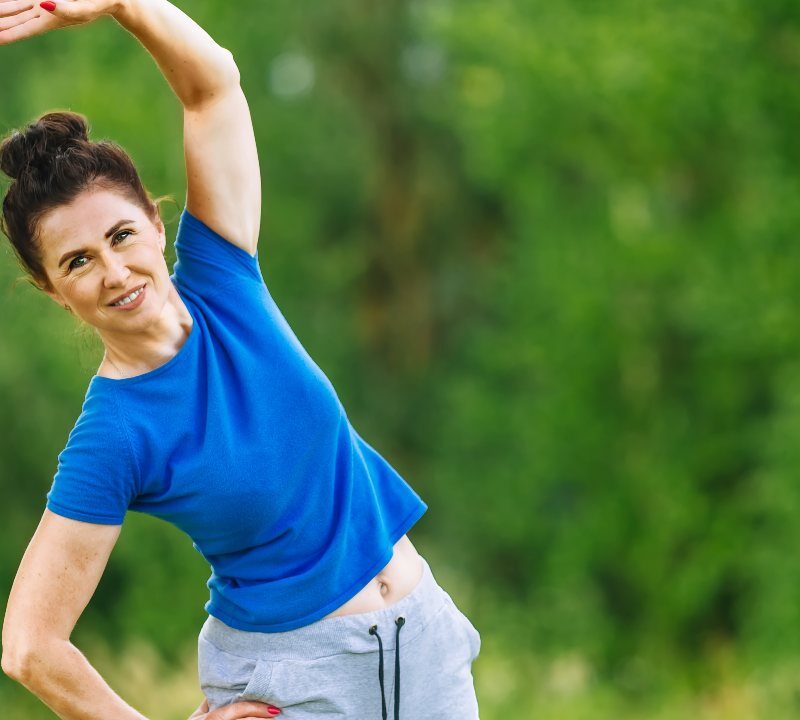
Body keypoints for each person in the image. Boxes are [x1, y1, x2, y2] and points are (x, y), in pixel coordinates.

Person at [0, 1, 482, 719]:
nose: (115, 271)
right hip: (295, 686)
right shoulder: (113, 434)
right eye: (78, 261)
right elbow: (29, 647)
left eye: (122, 235)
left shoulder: (225, 277)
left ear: (158, 224)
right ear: (53, 291)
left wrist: (126, 5)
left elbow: (213, 87)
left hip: (426, 647)